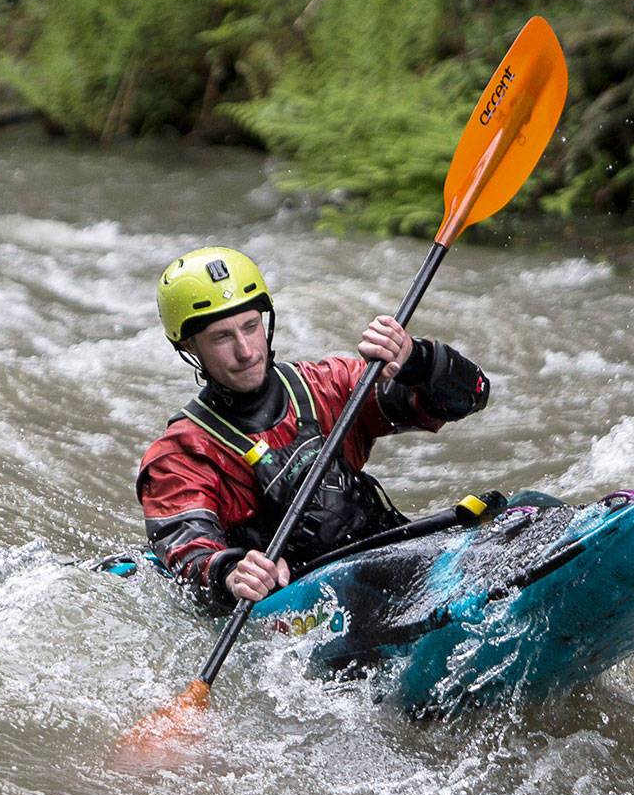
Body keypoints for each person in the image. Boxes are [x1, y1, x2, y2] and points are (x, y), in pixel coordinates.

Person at [136, 246, 490, 610]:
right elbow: (187, 548)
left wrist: (415, 360)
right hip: (309, 611)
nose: (246, 351)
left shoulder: (327, 386)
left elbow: (471, 397)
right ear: (189, 345)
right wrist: (229, 572)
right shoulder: (181, 453)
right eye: (222, 338)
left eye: (250, 327)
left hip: (390, 566)